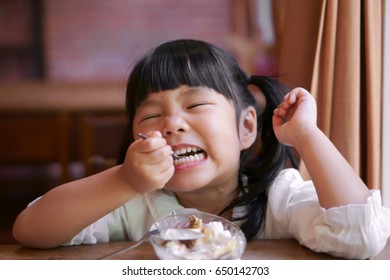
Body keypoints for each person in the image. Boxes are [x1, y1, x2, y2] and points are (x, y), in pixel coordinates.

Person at [13, 39, 390, 259]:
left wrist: (307, 134)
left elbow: (360, 236)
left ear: (245, 128)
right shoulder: (130, 204)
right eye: (151, 115)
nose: (172, 123)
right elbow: (31, 230)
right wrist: (126, 181)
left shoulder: (278, 197)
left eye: (194, 106)